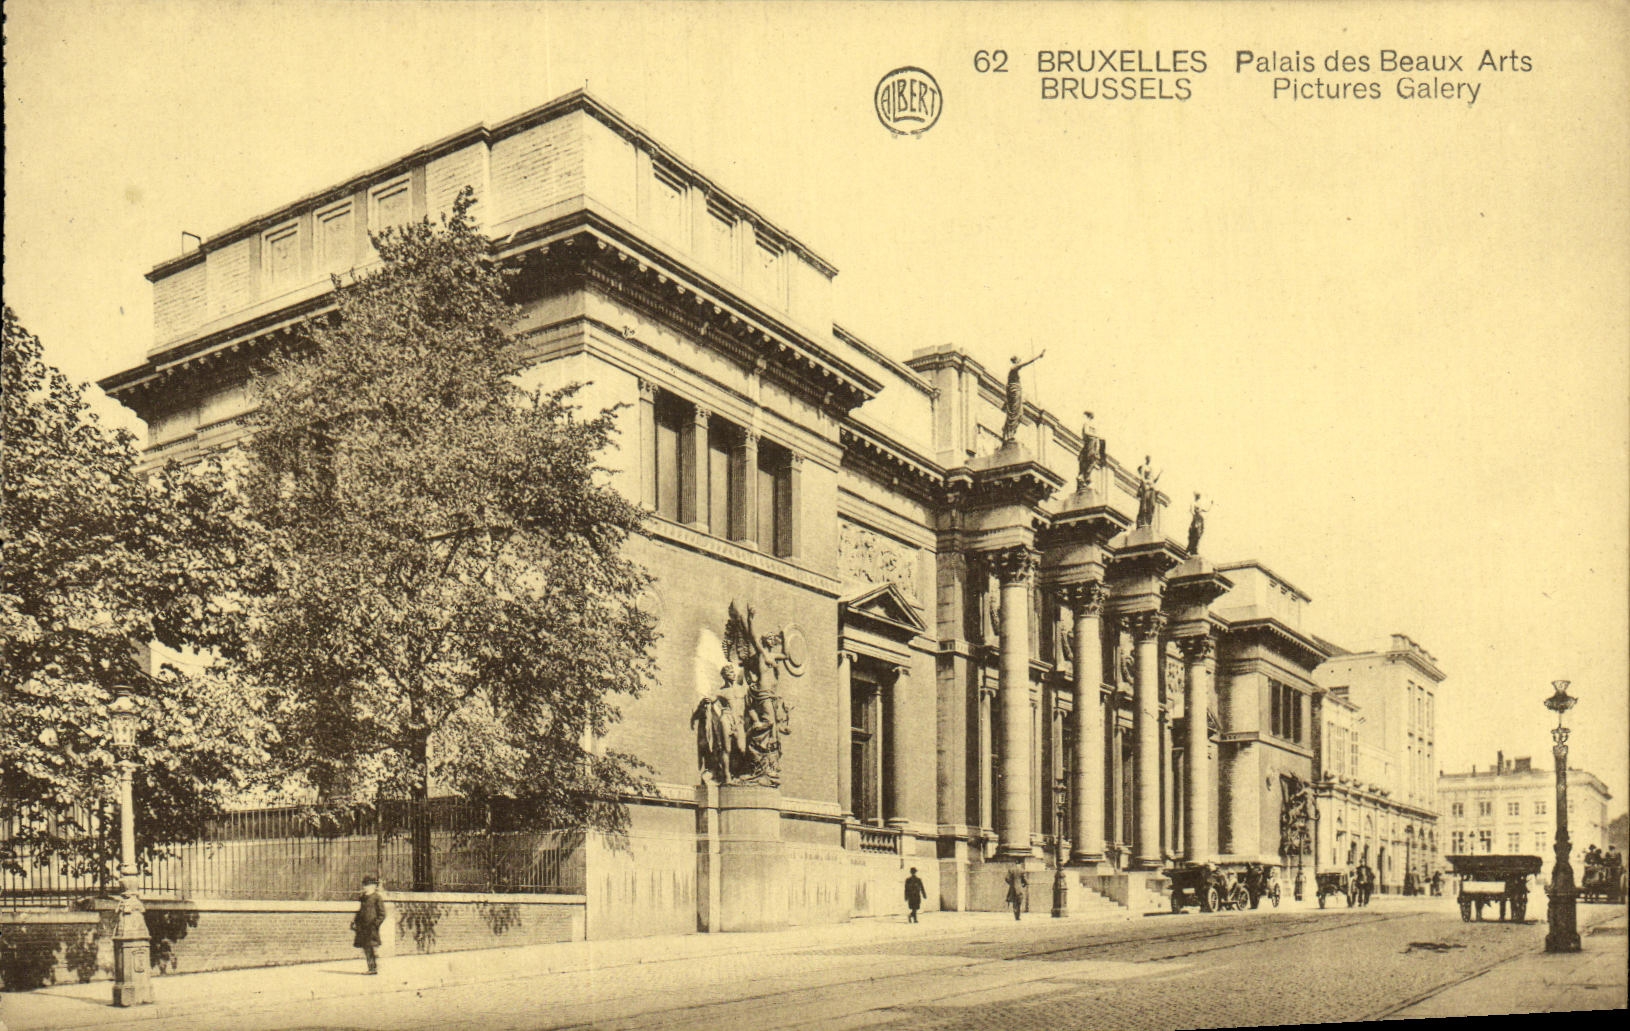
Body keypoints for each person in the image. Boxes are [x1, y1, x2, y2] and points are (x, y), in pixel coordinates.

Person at [351, 875, 387, 974]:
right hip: (362, 927)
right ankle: (371, 967)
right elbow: (360, 911)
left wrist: (375, 924)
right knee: (366, 947)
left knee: (370, 946)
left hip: (371, 927)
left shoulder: (376, 897)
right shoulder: (363, 898)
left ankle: (373, 968)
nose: (365, 887)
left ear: (373, 886)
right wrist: (355, 922)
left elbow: (382, 914)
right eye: (364, 885)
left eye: (367, 885)